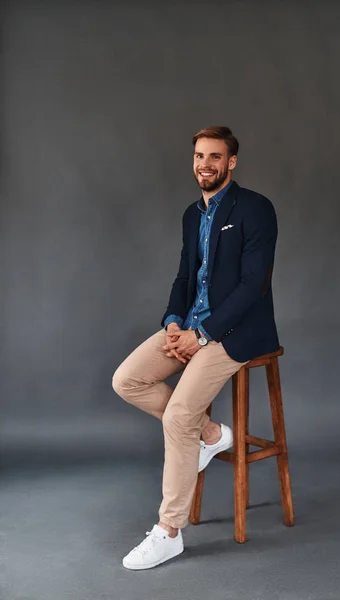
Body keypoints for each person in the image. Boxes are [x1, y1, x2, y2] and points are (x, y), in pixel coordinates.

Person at [112, 125, 280, 570]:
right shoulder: (193, 214)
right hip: (188, 328)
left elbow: (252, 286)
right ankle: (210, 436)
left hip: (237, 332)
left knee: (179, 417)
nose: (204, 164)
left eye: (214, 157)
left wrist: (202, 334)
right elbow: (186, 277)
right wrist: (172, 321)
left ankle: (169, 531)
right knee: (127, 380)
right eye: (199, 156)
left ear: (231, 162)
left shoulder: (256, 209)